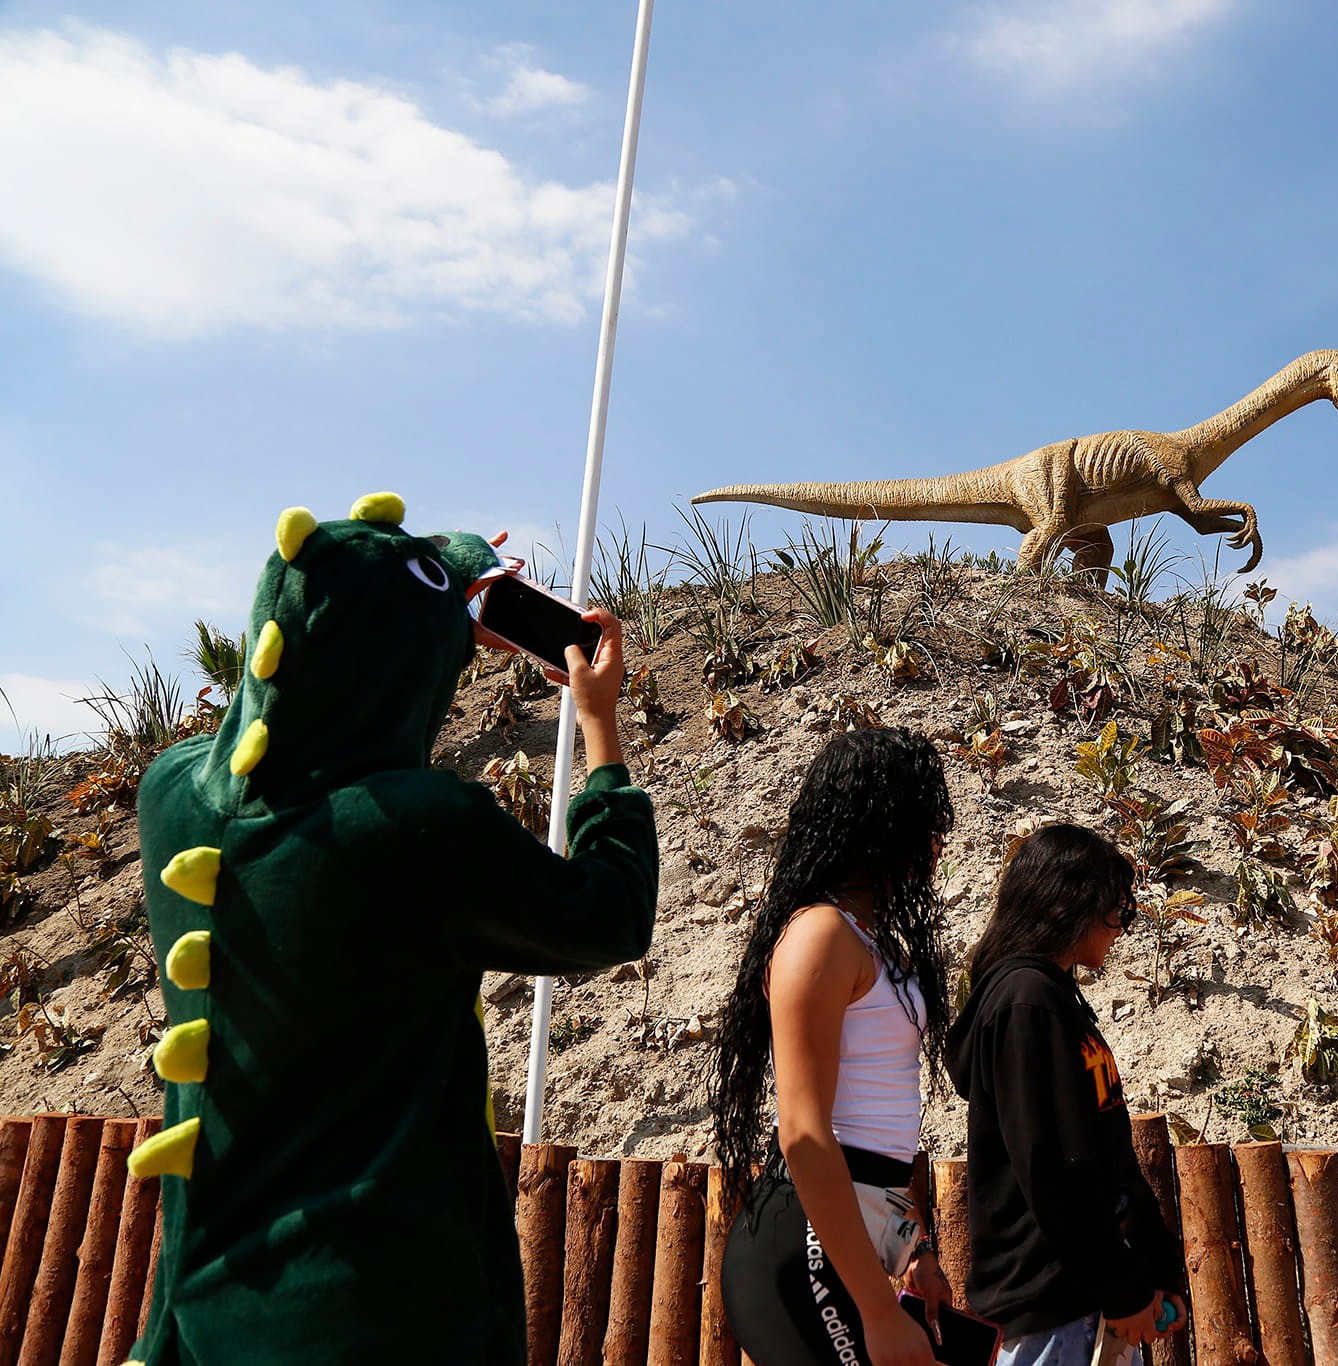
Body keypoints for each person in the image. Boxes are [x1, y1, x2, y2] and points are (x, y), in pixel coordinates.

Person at [131, 497, 659, 1363]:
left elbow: (287, 678)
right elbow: (609, 915)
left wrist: (414, 605)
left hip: (204, 1317)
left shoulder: (172, 796)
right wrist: (599, 729)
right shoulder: (416, 828)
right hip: (381, 1313)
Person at [711, 728, 957, 1366]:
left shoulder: (869, 942)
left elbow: (884, 1127)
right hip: (810, 1243)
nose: (937, 844)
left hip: (858, 1233)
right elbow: (804, 1135)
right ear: (879, 825)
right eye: (925, 823)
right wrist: (876, 1307)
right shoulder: (819, 937)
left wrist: (915, 1247)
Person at [945, 824, 1188, 1365]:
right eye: (1116, 910)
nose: (1121, 928)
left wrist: (1153, 1266)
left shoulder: (1053, 999)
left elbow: (1107, 1160)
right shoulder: (1026, 1002)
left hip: (1087, 1300)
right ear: (1070, 907)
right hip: (1055, 1308)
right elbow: (1053, 1167)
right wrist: (1120, 1286)